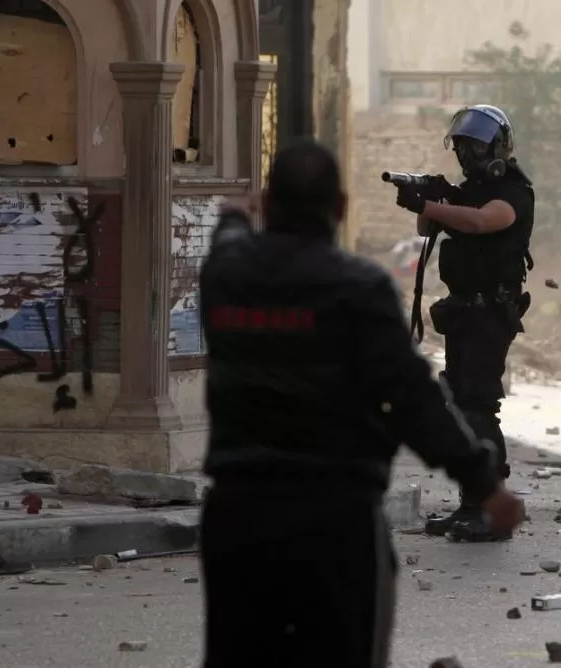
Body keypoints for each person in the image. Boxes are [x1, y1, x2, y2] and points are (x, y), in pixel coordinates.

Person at [197, 138, 525, 668]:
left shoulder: (226, 275)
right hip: (336, 519)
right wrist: (487, 486)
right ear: (342, 208)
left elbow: (229, 234)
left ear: (268, 204)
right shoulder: (359, 287)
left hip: (239, 515)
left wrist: (238, 213)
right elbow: (415, 399)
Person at [394, 105, 535, 542]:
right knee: (458, 405)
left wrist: (437, 204)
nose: (468, 157)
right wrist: (426, 196)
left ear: (496, 148)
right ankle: (472, 504)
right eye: (462, 148)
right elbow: (425, 226)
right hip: (463, 315)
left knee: (478, 406)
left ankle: (491, 507)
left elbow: (480, 222)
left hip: (490, 315)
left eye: (475, 147)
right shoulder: (468, 190)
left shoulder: (514, 193)